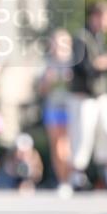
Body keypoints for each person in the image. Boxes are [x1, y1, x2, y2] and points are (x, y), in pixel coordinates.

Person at [68, 1, 107, 191]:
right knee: (82, 136)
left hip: (102, 94)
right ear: (96, 16)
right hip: (84, 96)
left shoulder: (100, 39)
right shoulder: (81, 38)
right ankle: (77, 176)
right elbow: (85, 66)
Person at [38, 28, 73, 195]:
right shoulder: (47, 63)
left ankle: (73, 176)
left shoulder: (74, 62)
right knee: (57, 145)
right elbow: (41, 90)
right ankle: (63, 180)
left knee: (70, 144)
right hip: (53, 108)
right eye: (55, 42)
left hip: (71, 108)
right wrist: (48, 80)